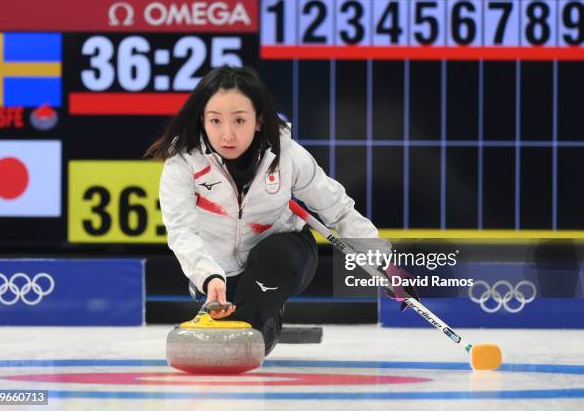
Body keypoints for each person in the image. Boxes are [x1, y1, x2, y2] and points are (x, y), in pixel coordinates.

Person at [146, 66, 413, 355]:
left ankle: (260, 314)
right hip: (220, 271)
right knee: (233, 319)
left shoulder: (288, 156)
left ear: (259, 121)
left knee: (272, 266)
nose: (227, 134)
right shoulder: (182, 163)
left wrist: (385, 262)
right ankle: (258, 312)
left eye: (239, 120)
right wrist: (208, 276)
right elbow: (182, 231)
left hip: (285, 257)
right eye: (215, 121)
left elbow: (339, 210)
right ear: (202, 120)